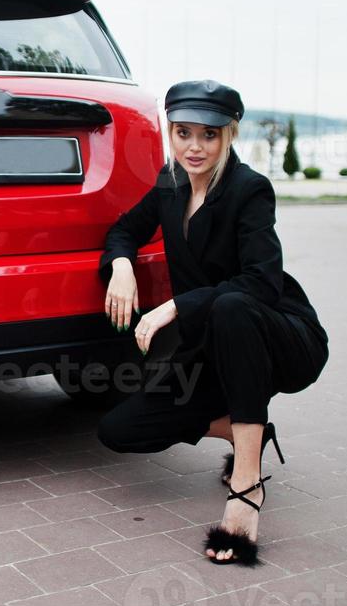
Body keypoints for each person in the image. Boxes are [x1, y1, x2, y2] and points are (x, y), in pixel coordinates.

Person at [96, 80, 328, 565]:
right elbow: (124, 230)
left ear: (229, 136)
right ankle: (249, 432)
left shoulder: (250, 189)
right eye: (183, 133)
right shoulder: (170, 183)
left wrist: (175, 305)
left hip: (277, 335)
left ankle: (246, 489)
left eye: (208, 135)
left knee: (230, 306)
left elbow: (260, 283)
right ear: (170, 133)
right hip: (210, 348)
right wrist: (120, 266)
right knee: (120, 430)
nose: (194, 147)